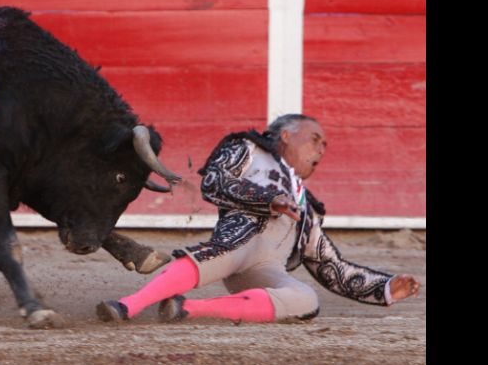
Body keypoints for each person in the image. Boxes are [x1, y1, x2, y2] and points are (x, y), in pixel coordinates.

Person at [96, 114, 420, 324]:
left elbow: (331, 267)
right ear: (286, 135)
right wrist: (268, 199)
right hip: (236, 244)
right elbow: (214, 181)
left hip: (266, 269)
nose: (322, 149)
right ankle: (127, 305)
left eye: (324, 145)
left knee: (306, 299)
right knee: (218, 253)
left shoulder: (307, 207)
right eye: (315, 139)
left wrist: (384, 287)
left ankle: (187, 308)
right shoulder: (248, 149)